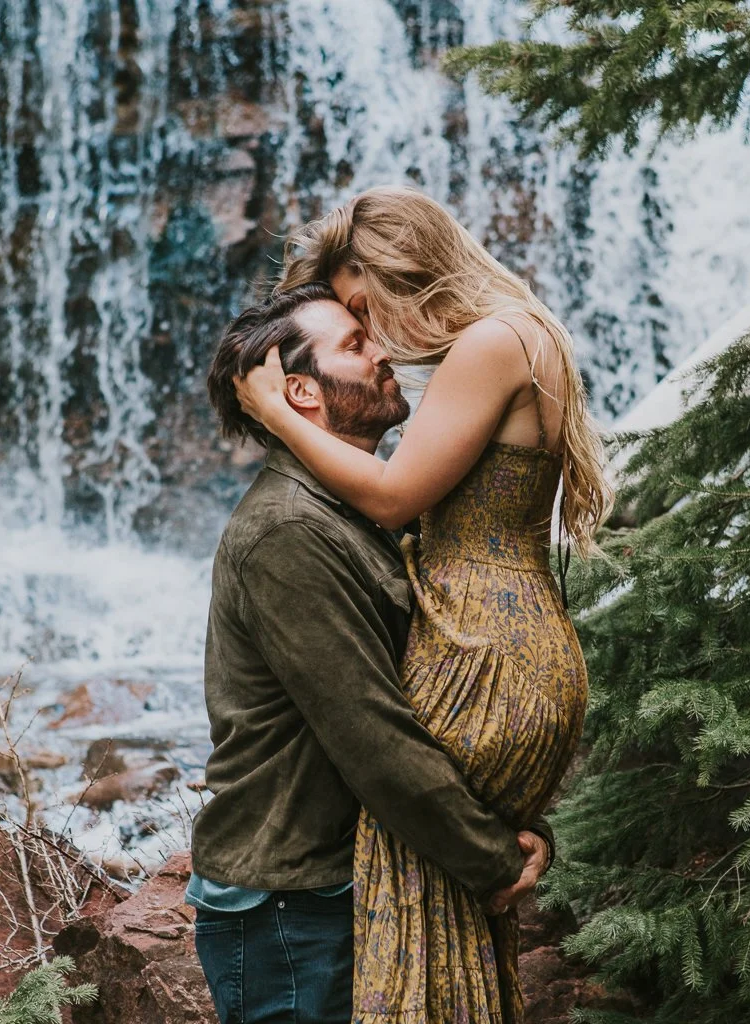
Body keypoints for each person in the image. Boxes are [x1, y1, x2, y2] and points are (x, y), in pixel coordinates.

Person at [233, 186, 614, 1024]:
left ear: (399, 268)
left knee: (409, 883)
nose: (380, 344)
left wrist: (273, 411)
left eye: (364, 309)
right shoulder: (521, 333)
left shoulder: (490, 341)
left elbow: (394, 497)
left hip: (484, 653)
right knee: (447, 918)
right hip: (516, 648)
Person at [189, 282, 556, 1024]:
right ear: (302, 392)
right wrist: (493, 858)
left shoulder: (358, 507)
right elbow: (373, 734)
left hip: (335, 890)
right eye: (355, 346)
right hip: (290, 911)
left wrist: (517, 815)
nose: (384, 352)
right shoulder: (289, 533)